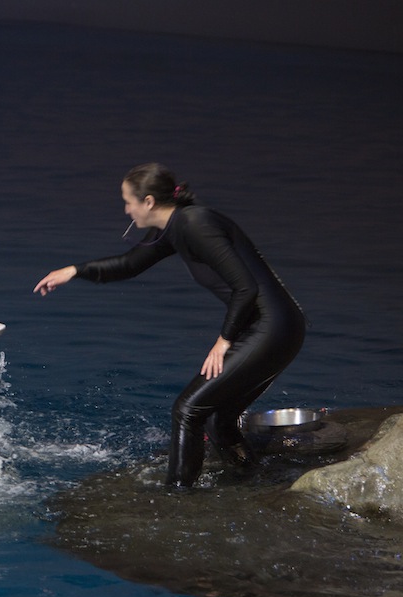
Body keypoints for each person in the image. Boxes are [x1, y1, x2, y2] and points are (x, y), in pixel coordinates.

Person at [33, 163, 306, 488]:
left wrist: (223, 341)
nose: (125, 209)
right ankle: (250, 478)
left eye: (128, 201)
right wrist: (75, 270)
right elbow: (130, 264)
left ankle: (178, 497)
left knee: (188, 409)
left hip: (273, 328)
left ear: (148, 201)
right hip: (269, 327)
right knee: (217, 418)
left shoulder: (195, 223)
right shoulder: (172, 228)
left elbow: (245, 287)